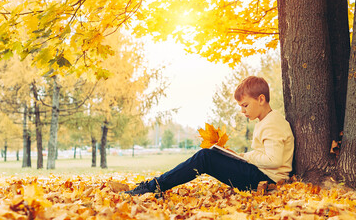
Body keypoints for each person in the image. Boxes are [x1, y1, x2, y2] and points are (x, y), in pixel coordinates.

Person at [124, 76, 294, 195]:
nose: (242, 111)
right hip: (259, 175)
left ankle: (155, 186)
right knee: (209, 155)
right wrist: (238, 157)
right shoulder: (265, 121)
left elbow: (274, 160)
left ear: (261, 99)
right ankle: (155, 185)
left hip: (266, 180)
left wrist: (244, 157)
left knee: (205, 157)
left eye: (245, 105)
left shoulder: (273, 122)